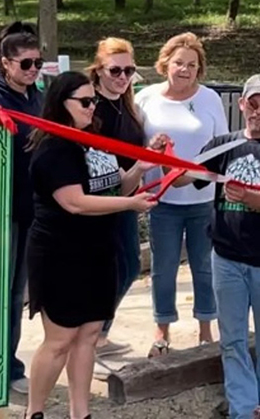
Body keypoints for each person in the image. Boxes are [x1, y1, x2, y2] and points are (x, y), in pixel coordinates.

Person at [24, 71, 161, 419]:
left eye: (93, 100)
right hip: (61, 253)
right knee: (59, 340)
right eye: (84, 101)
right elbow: (75, 202)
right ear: (61, 104)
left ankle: (80, 413)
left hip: (98, 250)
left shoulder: (96, 140)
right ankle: (34, 412)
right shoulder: (53, 148)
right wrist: (130, 206)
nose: (91, 107)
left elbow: (116, 189)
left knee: (89, 334)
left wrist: (140, 169)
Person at [172, 74, 260, 419]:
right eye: (252, 103)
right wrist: (165, 156)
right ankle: (244, 409)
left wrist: (246, 194)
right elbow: (186, 174)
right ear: (242, 104)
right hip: (226, 256)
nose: (258, 111)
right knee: (231, 340)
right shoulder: (224, 144)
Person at [136, 32, 227, 357]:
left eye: (192, 64)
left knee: (205, 266)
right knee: (164, 266)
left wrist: (195, 179)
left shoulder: (210, 99)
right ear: (165, 64)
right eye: (178, 63)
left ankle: (206, 329)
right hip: (162, 202)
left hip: (203, 200)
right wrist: (152, 151)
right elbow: (135, 148)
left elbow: (221, 149)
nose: (184, 70)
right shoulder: (145, 98)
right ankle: (162, 330)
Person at [0, 21, 44, 395]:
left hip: (30, 207)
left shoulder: (35, 97)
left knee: (18, 293)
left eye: (38, 63)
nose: (32, 70)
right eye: (25, 64)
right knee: (3, 294)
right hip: (3, 212)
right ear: (5, 63)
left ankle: (8, 362)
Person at [85, 37, 144, 360]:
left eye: (129, 71)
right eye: (115, 70)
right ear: (98, 71)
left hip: (127, 197)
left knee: (129, 265)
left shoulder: (128, 104)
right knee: (110, 268)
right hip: (100, 198)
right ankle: (91, 334)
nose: (122, 77)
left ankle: (99, 332)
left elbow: (134, 148)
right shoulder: (89, 105)